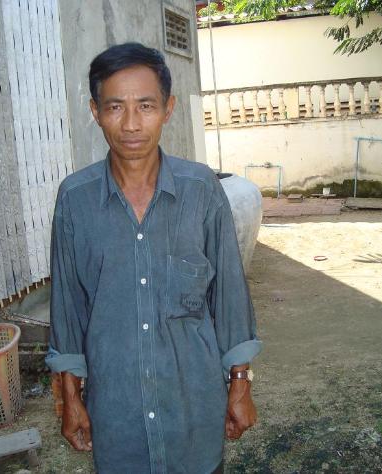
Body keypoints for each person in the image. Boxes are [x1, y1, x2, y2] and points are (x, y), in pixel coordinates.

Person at [46, 42, 261, 474]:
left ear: (168, 109)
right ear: (95, 111)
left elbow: (229, 296)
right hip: (117, 416)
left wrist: (240, 384)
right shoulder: (75, 200)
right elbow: (68, 308)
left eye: (145, 106)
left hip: (193, 411)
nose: (130, 124)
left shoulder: (201, 191)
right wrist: (71, 398)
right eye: (115, 107)